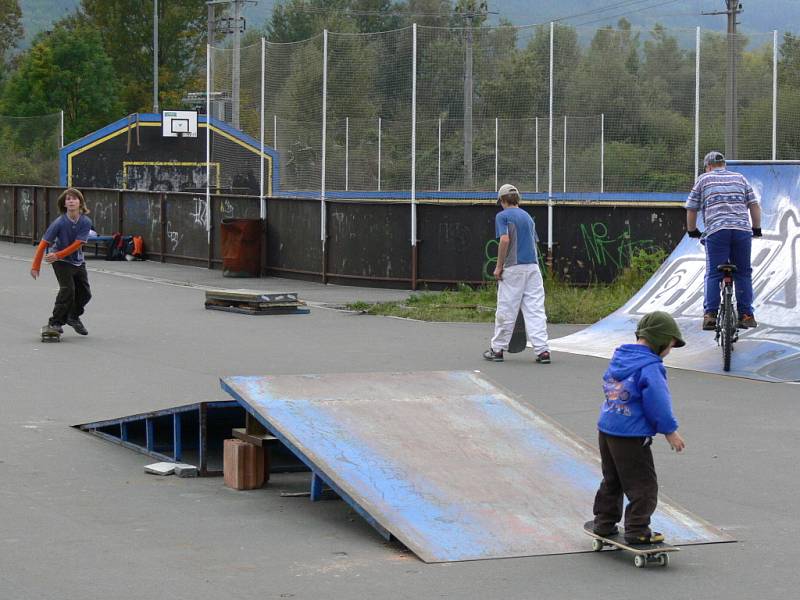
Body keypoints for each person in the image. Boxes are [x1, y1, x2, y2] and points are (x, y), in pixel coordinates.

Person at [591, 311, 686, 545]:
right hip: (631, 435)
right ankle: (637, 529)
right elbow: (658, 403)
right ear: (660, 341)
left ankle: (604, 522)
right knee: (643, 484)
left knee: (612, 479)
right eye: (670, 346)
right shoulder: (651, 367)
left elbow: (608, 384)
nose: (668, 352)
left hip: (607, 428)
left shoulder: (620, 357)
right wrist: (670, 431)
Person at [686, 151, 762, 331]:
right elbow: (754, 205)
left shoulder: (703, 179)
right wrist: (756, 229)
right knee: (743, 273)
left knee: (713, 273)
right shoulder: (740, 178)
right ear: (724, 165)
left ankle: (710, 315)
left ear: (709, 166)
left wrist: (692, 231)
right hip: (741, 231)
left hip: (717, 231)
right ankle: (746, 315)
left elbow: (691, 208)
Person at [482, 183, 550, 364]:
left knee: (506, 307)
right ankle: (543, 351)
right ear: (517, 199)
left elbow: (504, 239)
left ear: (503, 200)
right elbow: (533, 243)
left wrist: (499, 266)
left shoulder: (503, 216)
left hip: (513, 268)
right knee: (535, 309)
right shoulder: (528, 217)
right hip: (533, 268)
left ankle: (497, 349)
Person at [30, 188, 92, 336]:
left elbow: (78, 243)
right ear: (64, 204)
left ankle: (72, 316)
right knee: (68, 290)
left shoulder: (85, 221)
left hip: (76, 261)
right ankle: (55, 322)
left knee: (85, 294)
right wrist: (35, 265)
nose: (71, 201)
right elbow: (43, 244)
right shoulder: (59, 222)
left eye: (74, 198)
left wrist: (57, 254)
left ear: (80, 202)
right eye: (68, 199)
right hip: (61, 262)